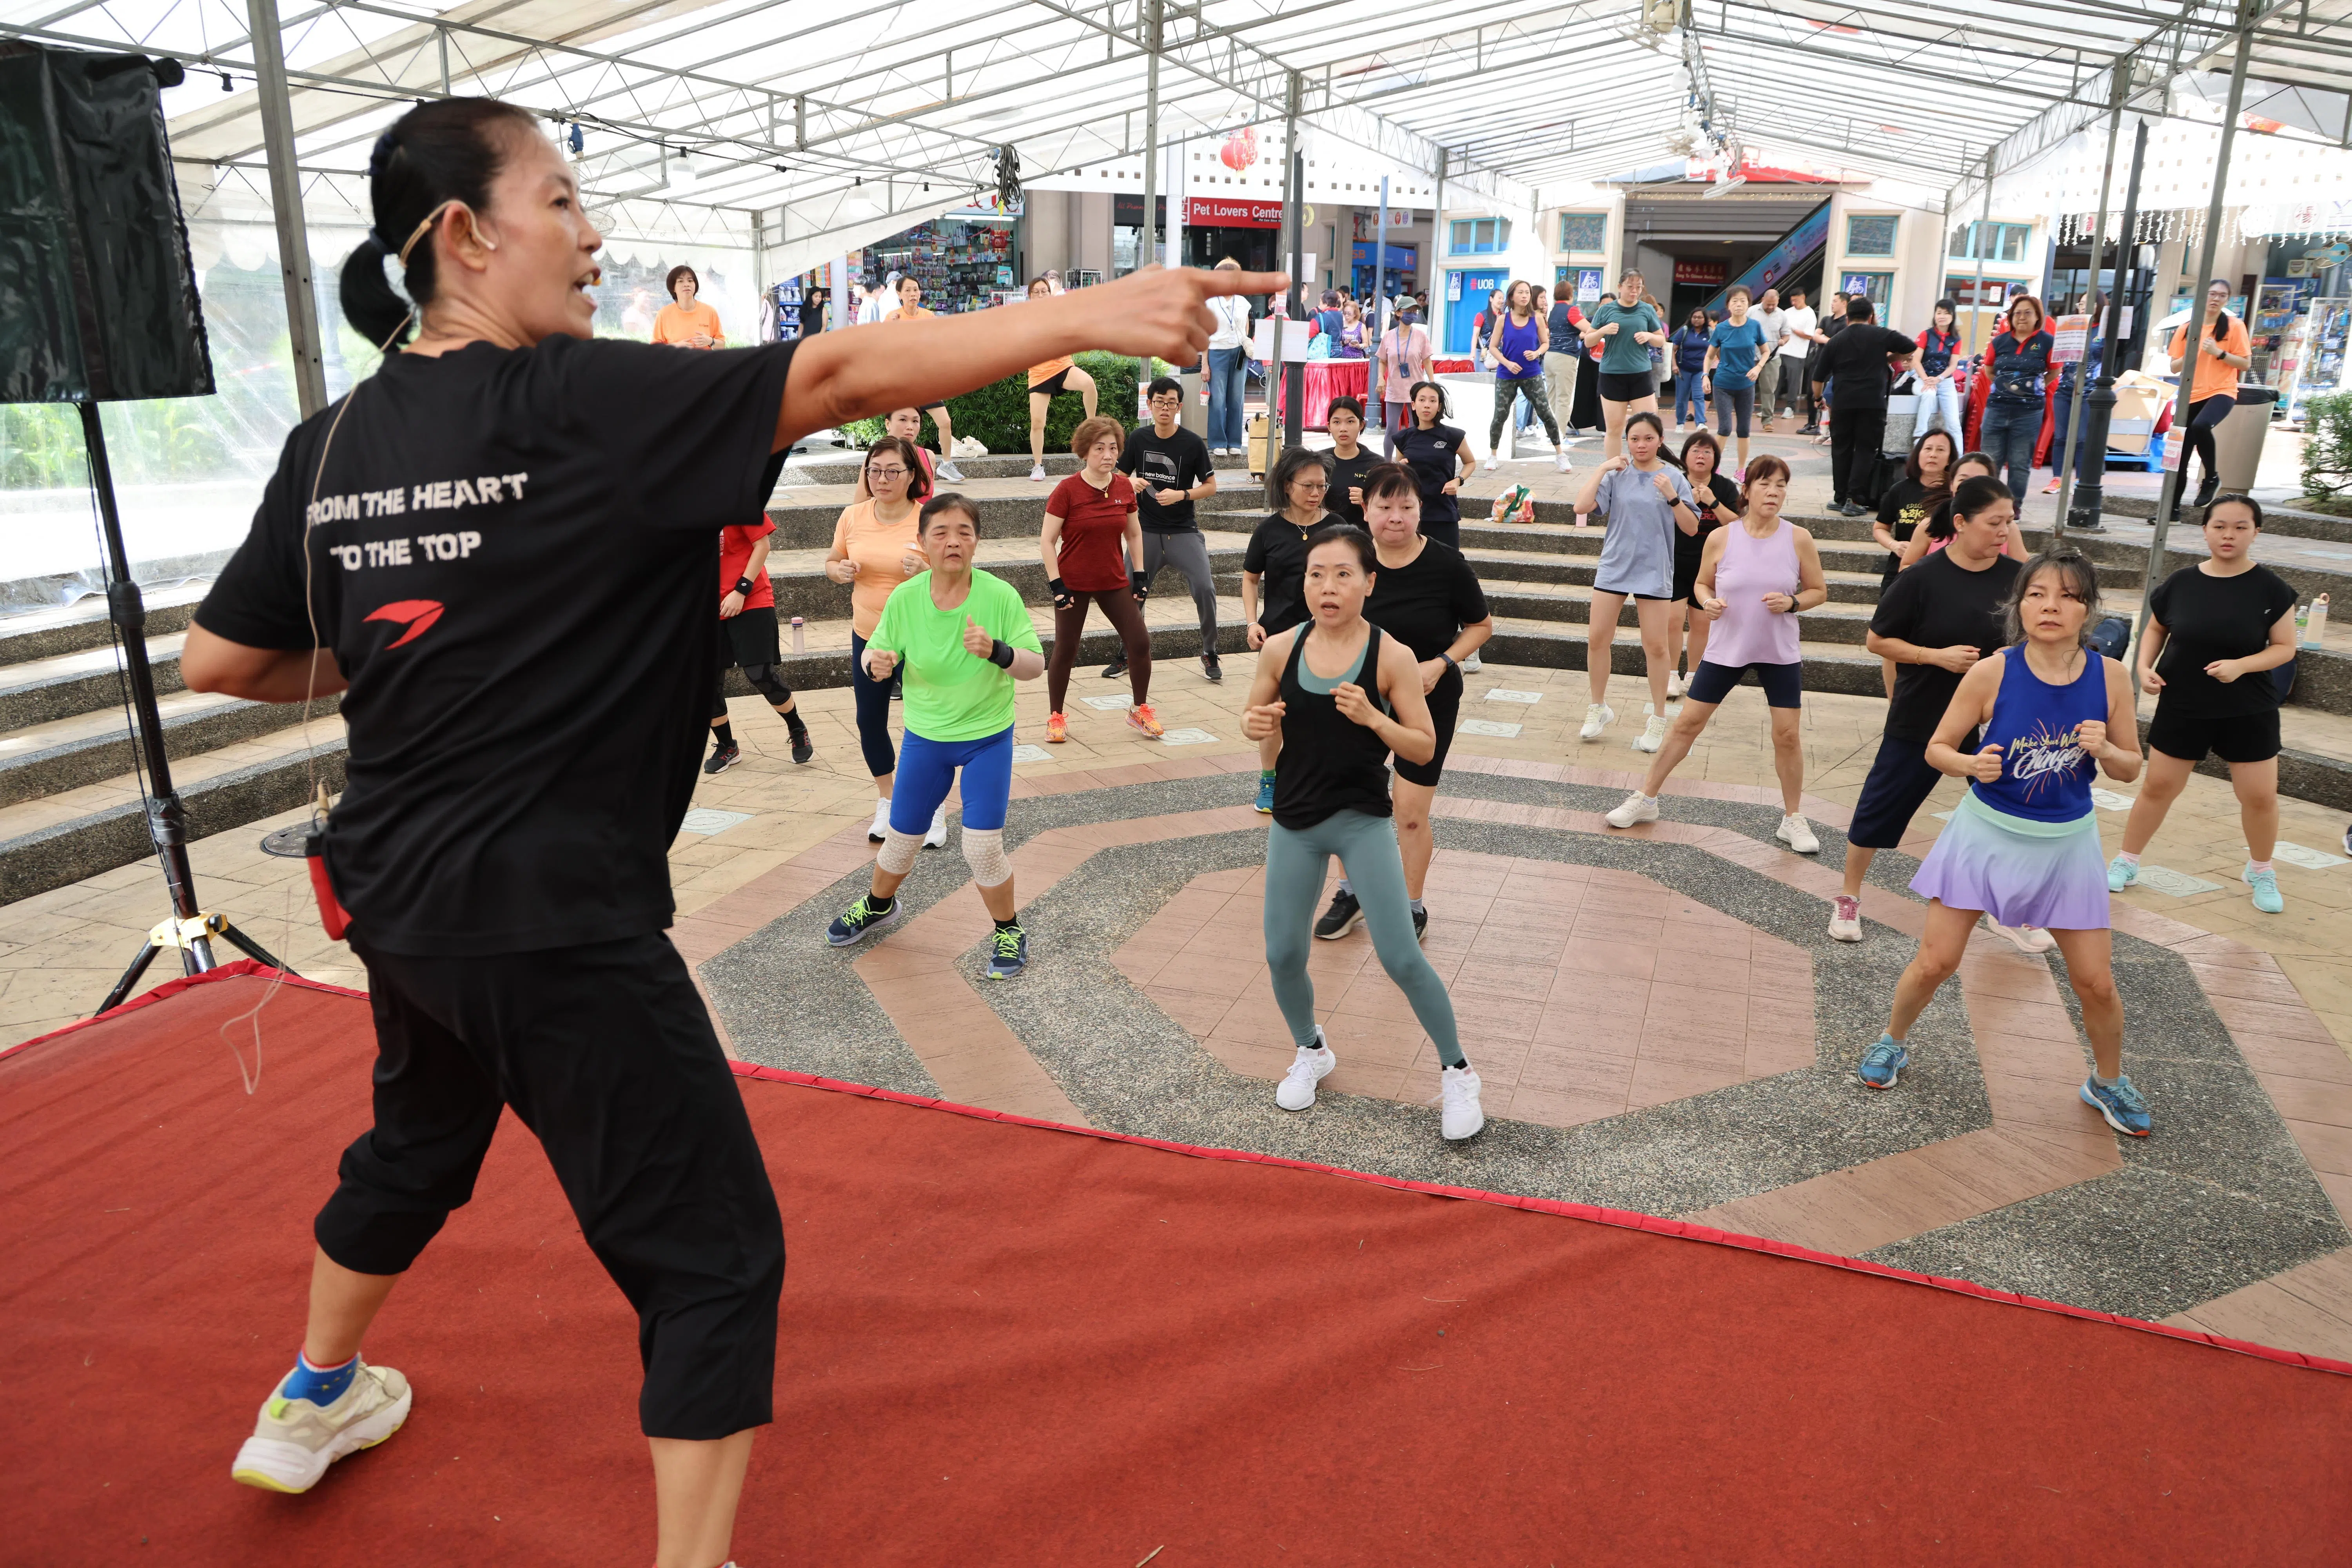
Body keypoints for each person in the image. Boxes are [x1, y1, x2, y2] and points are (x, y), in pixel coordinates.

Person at [181, 94, 1278, 1568]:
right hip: (558, 915)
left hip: (398, 894)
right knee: (713, 1257)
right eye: (560, 201)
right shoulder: (579, 397)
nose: (593, 235)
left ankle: (311, 1393)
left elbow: (223, 660)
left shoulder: (330, 450)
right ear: (462, 234)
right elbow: (830, 372)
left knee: (416, 1142)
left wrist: (418, 644)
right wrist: (1094, 307)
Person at [1856, 549, 2148, 1137]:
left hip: (2068, 847)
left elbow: (2131, 768)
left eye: (2067, 596)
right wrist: (1970, 763)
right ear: (2020, 604)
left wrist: (2109, 751)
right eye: (2038, 594)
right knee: (1936, 961)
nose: (2051, 607)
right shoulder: (1992, 671)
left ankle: (2107, 1081)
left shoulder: (2112, 677)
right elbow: (1937, 747)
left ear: (2088, 609)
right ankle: (1892, 1041)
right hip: (1985, 835)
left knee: (2096, 981)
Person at [1241, 523, 1485, 1142]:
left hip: (1361, 821)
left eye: (1343, 574)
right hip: (1295, 823)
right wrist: (1257, 723)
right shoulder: (1281, 649)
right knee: (1282, 954)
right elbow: (1254, 718)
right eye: (1316, 574)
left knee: (1401, 957)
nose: (1328, 587)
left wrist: (1373, 717)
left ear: (1369, 583)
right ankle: (1311, 1050)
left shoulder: (1391, 656)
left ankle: (1459, 1074)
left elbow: (1423, 744)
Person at [825, 494, 1048, 978]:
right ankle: (880, 905)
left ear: (977, 541)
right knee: (902, 839)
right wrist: (876, 662)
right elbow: (876, 652)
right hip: (927, 738)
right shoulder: (906, 598)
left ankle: (1009, 929)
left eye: (964, 531)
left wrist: (998, 651)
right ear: (923, 542)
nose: (953, 541)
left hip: (988, 736)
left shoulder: (999, 595)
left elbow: (1035, 666)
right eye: (941, 532)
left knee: (982, 846)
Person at [1830, 477, 2029, 949]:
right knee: (1881, 805)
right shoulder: (1920, 577)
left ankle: (2005, 907)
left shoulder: (2017, 578)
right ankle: (1848, 896)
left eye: (2010, 522)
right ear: (1960, 523)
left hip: (1992, 719)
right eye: (1995, 522)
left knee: (2008, 810)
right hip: (1924, 711)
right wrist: (1934, 656)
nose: (2004, 532)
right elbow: (1878, 640)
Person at [1307, 462, 1494, 944]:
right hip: (1356, 700)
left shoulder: (1447, 564)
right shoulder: (1350, 562)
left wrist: (1443, 664)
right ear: (1365, 509)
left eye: (1406, 507)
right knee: (1351, 803)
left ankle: (1411, 905)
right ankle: (1350, 894)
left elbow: (1481, 626)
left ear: (1420, 510)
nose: (1396, 517)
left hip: (1429, 703)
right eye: (1384, 507)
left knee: (1410, 811)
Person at [1604, 454, 1825, 852]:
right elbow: (1703, 584)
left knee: (1788, 735)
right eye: (1765, 484)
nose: (1774, 492)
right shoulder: (1723, 537)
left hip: (1778, 650)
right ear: (1747, 490)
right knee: (1687, 724)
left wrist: (1792, 603)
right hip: (1727, 648)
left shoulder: (1798, 538)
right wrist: (1707, 602)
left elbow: (1818, 592)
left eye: (1780, 485)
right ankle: (1646, 797)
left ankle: (1793, 818)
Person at [2110, 496, 2299, 913]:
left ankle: (2261, 870)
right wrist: (2143, 668)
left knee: (2260, 795)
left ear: (2256, 532)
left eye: (2240, 527)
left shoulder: (2271, 588)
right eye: (2220, 526)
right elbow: (2155, 630)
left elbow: (2285, 648)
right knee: (2159, 787)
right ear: (2206, 530)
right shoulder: (2181, 583)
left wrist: (2242, 666)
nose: (2229, 535)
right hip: (2184, 702)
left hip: (2249, 707)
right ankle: (2127, 860)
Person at [832, 434, 947, 846]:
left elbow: (957, 573)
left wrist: (926, 567)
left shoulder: (929, 518)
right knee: (870, 719)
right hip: (869, 634)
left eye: (892, 470)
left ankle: (933, 808)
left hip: (921, 637)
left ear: (912, 475)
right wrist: (840, 570)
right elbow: (832, 560)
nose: (882, 478)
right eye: (874, 470)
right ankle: (889, 799)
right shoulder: (853, 515)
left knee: (929, 724)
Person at [1572, 411, 1699, 752]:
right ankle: (1598, 708)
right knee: (1597, 639)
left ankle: (1658, 719)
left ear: (1660, 440)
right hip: (1615, 566)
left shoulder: (1673, 476)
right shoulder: (1618, 474)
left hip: (1654, 570)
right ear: (1626, 441)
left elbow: (1691, 527)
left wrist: (1672, 495)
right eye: (1634, 439)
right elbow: (1581, 506)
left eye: (1648, 438)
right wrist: (1602, 468)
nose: (1641, 445)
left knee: (1656, 647)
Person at [1043, 415, 1159, 742]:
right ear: (1084, 452)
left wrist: (1140, 575)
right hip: (1073, 583)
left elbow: (1134, 535)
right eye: (1099, 449)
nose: (1108, 455)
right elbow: (1047, 541)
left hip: (1113, 580)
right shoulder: (1067, 490)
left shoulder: (1124, 487)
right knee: (1066, 649)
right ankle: (1056, 717)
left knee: (1139, 642)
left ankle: (1140, 710)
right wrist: (1057, 586)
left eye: (1113, 448)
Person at [1107, 376, 1221, 685]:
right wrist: (1130, 482)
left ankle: (1210, 651)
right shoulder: (1139, 439)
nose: (1165, 408)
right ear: (1150, 405)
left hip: (1183, 531)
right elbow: (1117, 477)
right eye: (1159, 402)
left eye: (1171, 403)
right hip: (1144, 530)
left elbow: (1211, 487)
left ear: (1179, 406)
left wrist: (1181, 494)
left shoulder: (1192, 443)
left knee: (1205, 588)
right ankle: (1128, 653)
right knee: (1131, 592)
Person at [1243, 446, 1337, 811]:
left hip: (1327, 635)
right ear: (1287, 485)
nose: (1316, 493)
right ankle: (1270, 779)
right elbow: (1250, 580)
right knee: (1271, 710)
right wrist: (1253, 622)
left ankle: (1321, 778)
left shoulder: (1336, 528)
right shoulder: (1269, 530)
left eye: (1322, 486)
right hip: (1279, 636)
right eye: (1308, 485)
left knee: (1323, 710)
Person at [706, 509, 813, 773]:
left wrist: (741, 590)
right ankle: (727, 746)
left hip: (749, 597)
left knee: (761, 673)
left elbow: (762, 544)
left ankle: (797, 728)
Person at [1807, 297, 1916, 517]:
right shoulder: (1882, 335)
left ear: (1847, 318)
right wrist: (1888, 358)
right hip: (1873, 404)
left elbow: (1818, 377)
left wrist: (1818, 398)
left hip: (1843, 403)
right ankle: (1855, 500)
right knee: (1865, 450)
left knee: (1841, 449)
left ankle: (1840, 497)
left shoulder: (1836, 341)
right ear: (1871, 317)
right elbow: (1911, 347)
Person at [1873, 429, 1959, 696]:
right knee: (1891, 640)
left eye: (1940, 450)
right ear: (1918, 453)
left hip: (1943, 579)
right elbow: (1880, 528)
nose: (1933, 455)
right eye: (1927, 448)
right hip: (1901, 574)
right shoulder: (1901, 490)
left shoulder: (1955, 494)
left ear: (1951, 458)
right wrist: (1894, 544)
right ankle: (1893, 701)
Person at [1664, 430, 1744, 699]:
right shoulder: (1674, 482)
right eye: (1696, 451)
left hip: (1710, 566)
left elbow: (1738, 525)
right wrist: (1686, 505)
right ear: (1685, 456)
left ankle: (1694, 675)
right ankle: (1671, 675)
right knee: (1673, 621)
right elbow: (1661, 520)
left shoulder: (1724, 487)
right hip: (1674, 560)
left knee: (1701, 623)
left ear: (1716, 459)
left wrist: (1713, 502)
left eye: (1707, 452)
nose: (1701, 456)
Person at [2167, 278, 2253, 514]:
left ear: (2228, 300)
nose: (2216, 299)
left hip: (2222, 391)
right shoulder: (2187, 328)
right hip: (2190, 395)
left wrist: (2219, 353)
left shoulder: (2234, 327)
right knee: (2179, 458)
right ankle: (2171, 512)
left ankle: (2211, 478)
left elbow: (2245, 364)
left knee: (2202, 425)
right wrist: (2190, 355)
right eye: (2212, 294)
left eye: (2222, 296)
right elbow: (2174, 367)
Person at [881, 274, 967, 482]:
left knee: (945, 422)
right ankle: (890, 462)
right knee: (899, 426)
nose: (913, 294)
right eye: (908, 290)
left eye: (916, 290)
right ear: (900, 294)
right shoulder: (893, 318)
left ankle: (946, 465)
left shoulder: (929, 316)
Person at [1581, 269, 1666, 459]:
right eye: (1630, 287)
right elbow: (1588, 341)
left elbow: (1661, 340)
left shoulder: (1647, 310)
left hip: (1641, 374)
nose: (1634, 291)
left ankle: (1647, 469)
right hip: (1612, 375)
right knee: (1614, 428)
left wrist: (1649, 336)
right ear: (1620, 287)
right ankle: (1613, 471)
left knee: (1649, 426)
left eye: (1639, 287)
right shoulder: (1606, 309)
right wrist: (1603, 330)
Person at [1896, 449, 2028, 569]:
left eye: (1979, 481)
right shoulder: (1930, 525)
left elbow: (2025, 573)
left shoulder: (2008, 529)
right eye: (1963, 480)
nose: (1971, 488)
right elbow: (1907, 567)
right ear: (1952, 485)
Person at [1979, 294, 2054, 503]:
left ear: (2038, 317)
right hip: (1996, 409)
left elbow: (2055, 371)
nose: (2022, 317)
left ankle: (2014, 505)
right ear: (2011, 317)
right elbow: (1989, 370)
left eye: (2028, 313)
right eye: (2017, 313)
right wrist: (2008, 387)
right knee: (1990, 461)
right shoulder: (2000, 342)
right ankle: (1988, 503)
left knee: (2020, 462)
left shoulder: (2047, 342)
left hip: (2029, 413)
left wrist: (2032, 389)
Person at [1483, 279, 1564, 469]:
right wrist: (1507, 363)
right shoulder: (1503, 319)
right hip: (1506, 375)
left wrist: (1537, 353)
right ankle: (1493, 456)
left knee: (1546, 413)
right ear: (1512, 296)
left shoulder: (1536, 318)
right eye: (1520, 292)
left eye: (1527, 292)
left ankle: (1560, 455)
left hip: (1532, 374)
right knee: (1500, 416)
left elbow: (1546, 343)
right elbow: (1493, 347)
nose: (1525, 296)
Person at [1025, 276, 1100, 481]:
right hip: (1039, 374)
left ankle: (1091, 426)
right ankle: (1038, 465)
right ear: (1030, 296)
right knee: (1038, 423)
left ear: (1050, 294)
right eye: (1036, 292)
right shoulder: (1024, 316)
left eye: (1044, 291)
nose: (1040, 295)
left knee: (1089, 384)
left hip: (1063, 367)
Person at [1391, 379, 1472, 549]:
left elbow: (1470, 462)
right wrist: (1399, 467)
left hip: (1443, 511)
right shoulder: (1403, 438)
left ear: (1439, 406)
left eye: (1433, 401)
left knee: (1449, 563)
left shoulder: (1453, 436)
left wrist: (1458, 480)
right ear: (1413, 405)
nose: (1427, 405)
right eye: (1422, 400)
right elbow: (1397, 469)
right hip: (1411, 513)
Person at [1704, 286, 1768, 475]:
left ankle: (1741, 470)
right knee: (1725, 427)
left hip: (1746, 385)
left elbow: (1766, 351)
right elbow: (1709, 356)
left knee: (1744, 429)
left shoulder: (1755, 326)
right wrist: (1705, 376)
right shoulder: (1722, 328)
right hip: (1723, 383)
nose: (1739, 304)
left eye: (1743, 301)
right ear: (1728, 305)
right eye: (1735, 301)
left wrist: (1758, 367)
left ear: (1749, 304)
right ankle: (1714, 467)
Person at [1205, 258, 1252, 455]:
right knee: (1218, 398)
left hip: (1239, 352)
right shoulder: (1209, 303)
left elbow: (1246, 328)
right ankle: (1217, 442)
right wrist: (1204, 365)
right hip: (1217, 352)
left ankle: (1235, 442)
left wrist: (1246, 346)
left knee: (1237, 398)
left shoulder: (1242, 302)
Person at [1320, 396, 1381, 529]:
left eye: (1350, 422)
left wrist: (1368, 500)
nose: (1343, 428)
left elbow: (1388, 503)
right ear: (1329, 426)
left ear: (1361, 424)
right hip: (1323, 536)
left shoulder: (1377, 464)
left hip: (1363, 537)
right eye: (1337, 422)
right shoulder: (1318, 461)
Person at [1377, 308, 1434, 444]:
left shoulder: (1421, 336)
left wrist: (1432, 383)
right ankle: (1388, 462)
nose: (1412, 314)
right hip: (1395, 387)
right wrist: (1381, 378)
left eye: (1415, 312)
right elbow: (1382, 361)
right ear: (1398, 313)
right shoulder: (1389, 336)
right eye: (1409, 311)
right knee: (1391, 428)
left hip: (1416, 387)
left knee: (1416, 426)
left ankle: (1415, 458)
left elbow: (1427, 360)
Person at [855, 406, 936, 495]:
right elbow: (860, 505)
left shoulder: (928, 456)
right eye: (903, 420)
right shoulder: (875, 459)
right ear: (888, 424)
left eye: (915, 421)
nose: (910, 427)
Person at [1544, 285, 1588, 448]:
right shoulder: (1572, 310)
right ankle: (1559, 436)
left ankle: (1549, 433)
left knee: (1552, 397)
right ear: (1571, 294)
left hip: (1549, 356)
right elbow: (1589, 329)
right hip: (1565, 357)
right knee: (1564, 399)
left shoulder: (1554, 311)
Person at [1915, 298, 1964, 437]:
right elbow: (1916, 361)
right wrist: (1927, 380)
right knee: (1929, 394)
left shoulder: (1956, 339)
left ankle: (1959, 457)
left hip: (1946, 383)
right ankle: (1919, 438)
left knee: (1954, 424)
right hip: (1923, 380)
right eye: (1939, 313)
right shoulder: (1926, 335)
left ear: (1953, 316)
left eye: (1946, 313)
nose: (1942, 317)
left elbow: (1953, 365)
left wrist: (1939, 379)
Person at [1776, 287, 1819, 432]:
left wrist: (1792, 329)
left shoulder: (1810, 314)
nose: (1794, 303)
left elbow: (1809, 335)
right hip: (1782, 350)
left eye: (1796, 300)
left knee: (1793, 382)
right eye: (1792, 300)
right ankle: (1769, 408)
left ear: (1803, 297)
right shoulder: (1787, 312)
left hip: (1797, 353)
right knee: (1776, 379)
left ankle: (1790, 408)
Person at [652, 264, 724, 348]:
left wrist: (710, 341)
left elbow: (722, 346)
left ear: (695, 285)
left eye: (690, 281)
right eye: (681, 281)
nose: (687, 284)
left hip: (704, 361)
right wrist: (675, 347)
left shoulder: (710, 312)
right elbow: (655, 350)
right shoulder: (664, 314)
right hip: (676, 362)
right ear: (673, 288)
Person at [1670, 307, 1712, 430]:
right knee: (1682, 398)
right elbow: (1674, 349)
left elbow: (1715, 350)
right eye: (1695, 317)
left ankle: (1700, 423)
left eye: (1700, 317)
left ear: (1705, 319)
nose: (1697, 320)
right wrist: (1674, 365)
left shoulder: (1710, 332)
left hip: (1700, 370)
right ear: (1691, 318)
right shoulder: (1684, 331)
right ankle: (1680, 423)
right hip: (1683, 370)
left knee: (1699, 396)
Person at [1751, 287, 1787, 421]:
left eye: (1774, 304)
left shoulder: (1782, 315)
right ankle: (1744, 417)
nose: (1771, 307)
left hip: (1772, 358)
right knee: (1745, 388)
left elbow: (1787, 334)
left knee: (1769, 390)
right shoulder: (1752, 312)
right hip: (1751, 357)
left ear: (1778, 301)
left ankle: (1767, 420)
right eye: (1768, 304)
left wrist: (1784, 341)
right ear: (1763, 300)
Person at [1471, 288, 1505, 370]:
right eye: (1499, 298)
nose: (1502, 301)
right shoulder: (1481, 315)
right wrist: (1473, 353)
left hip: (1499, 353)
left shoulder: (1504, 317)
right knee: (1482, 379)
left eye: (1503, 298)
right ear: (1491, 299)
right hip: (1483, 352)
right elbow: (1475, 335)